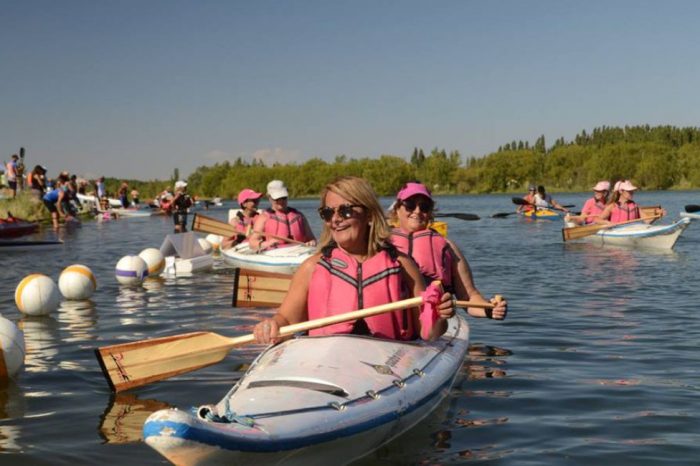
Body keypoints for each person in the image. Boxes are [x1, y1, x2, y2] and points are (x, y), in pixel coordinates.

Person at [253, 176, 455, 345]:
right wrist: (272, 325)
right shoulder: (311, 267)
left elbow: (428, 333)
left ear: (368, 214)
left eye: (346, 210)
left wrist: (438, 315)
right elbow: (287, 320)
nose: (336, 219)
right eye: (328, 212)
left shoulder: (403, 266)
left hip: (388, 364)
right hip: (326, 362)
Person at [389, 181, 507, 320]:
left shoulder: (448, 247)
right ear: (397, 209)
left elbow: (468, 296)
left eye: (424, 206)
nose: (417, 211)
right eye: (410, 204)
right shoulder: (379, 243)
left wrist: (489, 309)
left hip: (432, 322)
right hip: (389, 319)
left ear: (430, 213)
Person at [249, 180, 316, 250]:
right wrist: (266, 244)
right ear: (269, 197)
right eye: (277, 198)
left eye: (283, 198)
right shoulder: (263, 217)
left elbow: (312, 238)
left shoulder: (299, 216)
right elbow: (252, 243)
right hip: (274, 253)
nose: (281, 201)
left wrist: (311, 242)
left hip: (300, 252)